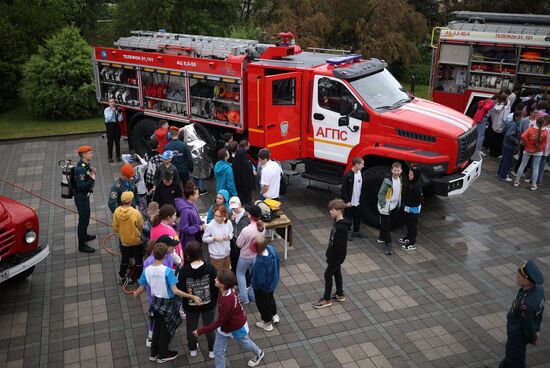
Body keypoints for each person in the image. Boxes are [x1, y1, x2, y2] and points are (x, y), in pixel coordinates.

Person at [134, 243, 202, 363]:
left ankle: (153, 353)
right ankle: (163, 354)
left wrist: (135, 294)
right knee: (166, 331)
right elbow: (175, 290)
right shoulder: (168, 271)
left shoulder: (147, 270)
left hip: (155, 303)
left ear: (153, 254)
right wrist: (192, 296)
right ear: (165, 255)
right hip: (167, 304)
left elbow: (141, 287)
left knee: (156, 329)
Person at [193, 269, 265, 368]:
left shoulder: (227, 301)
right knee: (218, 351)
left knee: (245, 343)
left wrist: (200, 331)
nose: (215, 279)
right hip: (227, 326)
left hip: (236, 326)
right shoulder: (228, 290)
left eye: (217, 279)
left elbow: (219, 322)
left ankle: (259, 352)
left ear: (222, 285)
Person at [499, 260, 545, 368]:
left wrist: (532, 338)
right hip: (518, 333)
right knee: (510, 358)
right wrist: (537, 329)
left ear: (527, 281)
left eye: (520, 276)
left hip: (517, 335)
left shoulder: (526, 304)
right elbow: (539, 313)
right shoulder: (539, 291)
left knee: (516, 362)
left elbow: (527, 325)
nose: (517, 276)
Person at [178, 241, 218, 359]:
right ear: (201, 253)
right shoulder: (210, 268)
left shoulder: (184, 271)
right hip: (209, 305)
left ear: (188, 256)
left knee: (191, 327)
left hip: (190, 306)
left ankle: (193, 349)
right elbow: (216, 287)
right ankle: (212, 350)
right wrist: (214, 301)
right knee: (209, 327)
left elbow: (181, 289)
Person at [312, 199, 350, 309]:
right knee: (337, 272)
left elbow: (340, 247)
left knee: (328, 274)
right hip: (335, 256)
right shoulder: (337, 223)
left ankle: (327, 299)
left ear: (339, 211)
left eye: (332, 210)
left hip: (336, 257)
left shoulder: (341, 227)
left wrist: (334, 258)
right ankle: (339, 294)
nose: (330, 212)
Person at [142, 235, 178, 348]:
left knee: (163, 316)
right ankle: (151, 335)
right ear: (164, 247)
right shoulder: (149, 262)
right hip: (156, 296)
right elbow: (145, 280)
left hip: (166, 295)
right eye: (172, 246)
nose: (174, 249)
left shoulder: (169, 257)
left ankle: (161, 333)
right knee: (154, 315)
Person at [112, 191, 144, 284]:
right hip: (136, 241)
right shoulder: (135, 213)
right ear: (131, 200)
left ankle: (122, 277)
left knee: (124, 260)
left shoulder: (117, 211)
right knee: (138, 261)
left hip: (124, 241)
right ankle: (139, 279)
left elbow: (115, 227)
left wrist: (122, 233)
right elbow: (141, 226)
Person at [251, 235, 281, 331]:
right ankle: (274, 315)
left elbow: (260, 280)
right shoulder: (271, 249)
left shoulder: (260, 263)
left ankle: (267, 323)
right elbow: (278, 260)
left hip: (262, 288)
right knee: (270, 298)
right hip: (272, 282)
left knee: (262, 304)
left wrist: (254, 284)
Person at [236, 205, 265, 304]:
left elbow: (238, 244)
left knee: (240, 274)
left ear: (249, 215)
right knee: (254, 275)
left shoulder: (246, 230)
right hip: (256, 256)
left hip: (244, 256)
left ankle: (244, 298)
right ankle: (252, 296)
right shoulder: (262, 228)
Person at [514, 117, 548, 191]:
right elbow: (544, 143)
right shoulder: (545, 132)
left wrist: (528, 145)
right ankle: (533, 185)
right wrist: (539, 148)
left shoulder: (530, 129)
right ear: (543, 124)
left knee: (522, 165)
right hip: (538, 152)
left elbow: (523, 136)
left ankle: (516, 181)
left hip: (527, 150)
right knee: (536, 168)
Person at [73, 146, 96, 253]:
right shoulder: (80, 169)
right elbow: (80, 186)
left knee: (86, 217)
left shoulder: (85, 164)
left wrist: (91, 172)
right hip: (81, 198)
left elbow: (88, 173)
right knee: (83, 220)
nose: (92, 154)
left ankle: (85, 235)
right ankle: (81, 245)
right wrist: (92, 179)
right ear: (84, 155)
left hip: (85, 196)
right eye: (90, 153)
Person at [377, 162, 403, 255]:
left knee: (386, 223)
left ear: (401, 171)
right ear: (392, 170)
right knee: (386, 226)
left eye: (398, 170)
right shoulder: (387, 181)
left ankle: (381, 236)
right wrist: (383, 205)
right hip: (386, 207)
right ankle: (388, 244)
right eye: (395, 170)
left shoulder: (400, 179)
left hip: (394, 206)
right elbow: (380, 194)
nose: (396, 172)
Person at [340, 156, 367, 241]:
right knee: (348, 218)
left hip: (358, 201)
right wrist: (347, 202)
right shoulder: (348, 176)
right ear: (356, 165)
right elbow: (343, 190)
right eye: (362, 164)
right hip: (350, 202)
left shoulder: (359, 173)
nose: (363, 166)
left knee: (357, 217)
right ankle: (347, 233)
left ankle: (356, 232)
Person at [175, 182, 206, 250]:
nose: (198, 195)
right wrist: (198, 227)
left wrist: (202, 223)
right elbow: (183, 228)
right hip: (190, 241)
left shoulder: (192, 203)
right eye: (197, 194)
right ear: (191, 196)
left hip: (195, 237)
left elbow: (197, 217)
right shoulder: (185, 211)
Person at [203, 206, 233, 271]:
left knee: (227, 274)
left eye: (219, 216)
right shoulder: (210, 225)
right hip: (216, 256)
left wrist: (228, 236)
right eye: (215, 215)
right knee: (217, 276)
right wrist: (213, 238)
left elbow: (231, 233)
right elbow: (204, 239)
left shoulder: (228, 223)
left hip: (227, 254)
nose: (216, 218)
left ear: (224, 215)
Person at [399, 167, 423, 251]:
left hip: (413, 208)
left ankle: (412, 243)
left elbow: (419, 199)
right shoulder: (412, 183)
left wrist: (410, 202)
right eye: (409, 174)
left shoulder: (416, 187)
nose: (409, 176)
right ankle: (409, 237)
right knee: (409, 224)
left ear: (415, 175)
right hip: (409, 207)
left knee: (412, 226)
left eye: (411, 174)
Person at [498, 111, 523, 182]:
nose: (521, 118)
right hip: (510, 146)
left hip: (506, 144)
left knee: (504, 159)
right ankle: (503, 176)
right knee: (507, 161)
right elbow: (509, 135)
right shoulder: (514, 125)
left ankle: (501, 173)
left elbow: (504, 132)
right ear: (517, 117)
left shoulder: (511, 123)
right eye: (520, 117)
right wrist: (516, 141)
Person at [229, 196, 250, 273]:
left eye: (235, 208)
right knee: (233, 261)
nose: (234, 210)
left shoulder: (247, 215)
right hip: (234, 241)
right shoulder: (230, 213)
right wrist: (231, 220)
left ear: (240, 205)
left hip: (244, 242)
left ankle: (246, 280)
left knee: (244, 264)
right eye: (232, 208)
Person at [232, 140, 256, 205]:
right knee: (247, 198)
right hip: (246, 186)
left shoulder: (235, 162)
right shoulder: (246, 164)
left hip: (239, 184)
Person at [104, 98, 122, 162]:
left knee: (117, 142)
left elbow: (120, 119)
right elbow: (108, 119)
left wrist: (120, 113)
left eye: (113, 102)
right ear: (108, 103)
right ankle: (110, 157)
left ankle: (118, 156)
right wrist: (112, 111)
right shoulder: (106, 110)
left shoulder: (116, 109)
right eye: (110, 102)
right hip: (110, 126)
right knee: (110, 142)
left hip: (116, 126)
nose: (112, 103)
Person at [536, 115, 550, 186]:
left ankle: (534, 179)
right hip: (547, 151)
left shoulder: (544, 129)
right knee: (542, 166)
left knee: (537, 165)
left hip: (541, 149)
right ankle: (540, 180)